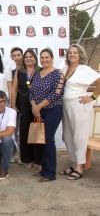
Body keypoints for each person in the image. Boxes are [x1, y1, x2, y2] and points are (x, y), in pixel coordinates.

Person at [61, 44, 100, 180]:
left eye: (75, 53)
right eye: (70, 52)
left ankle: (79, 167)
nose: (72, 55)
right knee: (67, 136)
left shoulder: (84, 69)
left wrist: (92, 97)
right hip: (65, 104)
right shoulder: (65, 68)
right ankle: (73, 163)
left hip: (79, 105)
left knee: (79, 137)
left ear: (80, 55)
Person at [30, 48, 64, 182]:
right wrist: (34, 106)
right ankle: (44, 169)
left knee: (48, 140)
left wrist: (39, 106)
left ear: (52, 58)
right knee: (41, 140)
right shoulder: (37, 74)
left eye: (47, 57)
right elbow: (31, 91)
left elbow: (56, 93)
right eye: (42, 57)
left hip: (52, 110)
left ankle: (50, 174)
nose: (44, 60)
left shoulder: (58, 74)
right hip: (38, 111)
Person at [11, 49, 42, 169]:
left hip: (37, 104)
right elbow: (14, 89)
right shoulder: (20, 72)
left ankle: (38, 160)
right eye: (26, 57)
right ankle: (27, 159)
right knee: (25, 131)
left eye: (31, 56)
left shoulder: (40, 71)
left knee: (37, 131)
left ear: (35, 58)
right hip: (23, 103)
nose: (28, 58)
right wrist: (13, 105)